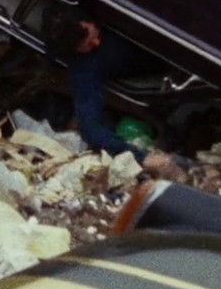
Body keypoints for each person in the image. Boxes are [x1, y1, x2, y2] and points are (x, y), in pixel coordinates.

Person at [39, 9, 179, 175]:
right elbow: (91, 127)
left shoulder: (104, 10)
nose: (97, 43)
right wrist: (141, 158)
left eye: (95, 34)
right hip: (166, 67)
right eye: (89, 45)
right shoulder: (85, 68)